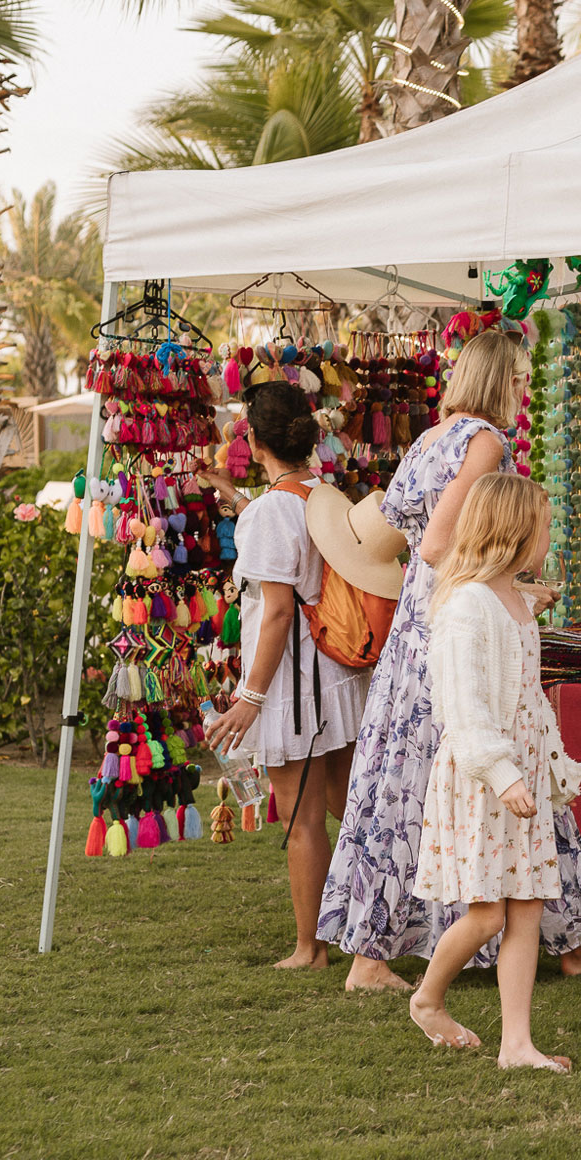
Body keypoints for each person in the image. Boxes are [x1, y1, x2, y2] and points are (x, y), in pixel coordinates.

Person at [317, 329, 581, 993]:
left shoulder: (430, 437)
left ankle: (371, 954)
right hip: (453, 622)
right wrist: (508, 589)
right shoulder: (486, 440)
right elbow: (441, 543)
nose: (524, 392)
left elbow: (418, 536)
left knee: (404, 787)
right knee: (506, 764)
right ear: (503, 381)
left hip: (417, 626)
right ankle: (570, 942)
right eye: (520, 380)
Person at [408, 473, 581, 1066]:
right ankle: (428, 998)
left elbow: (528, 697)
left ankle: (517, 1044)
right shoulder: (468, 606)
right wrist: (502, 772)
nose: (550, 536)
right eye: (544, 526)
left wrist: (545, 764)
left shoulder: (512, 598)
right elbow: (464, 704)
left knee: (527, 903)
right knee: (486, 914)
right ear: (514, 531)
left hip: (522, 774)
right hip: (486, 781)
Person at [201, 381, 371, 970]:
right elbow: (284, 530)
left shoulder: (273, 510)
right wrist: (228, 492)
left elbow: (275, 610)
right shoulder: (320, 492)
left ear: (252, 437)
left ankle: (311, 948)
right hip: (333, 675)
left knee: (300, 816)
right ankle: (377, 924)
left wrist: (249, 698)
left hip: (291, 683)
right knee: (349, 804)